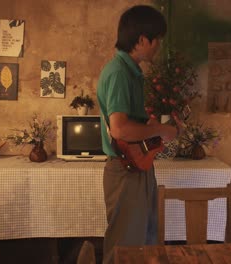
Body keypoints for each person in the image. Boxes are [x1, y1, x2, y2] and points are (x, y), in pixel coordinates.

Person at [96, 5, 177, 264]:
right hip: (125, 171)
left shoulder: (129, 72)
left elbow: (130, 128)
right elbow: (119, 129)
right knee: (125, 248)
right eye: (157, 41)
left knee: (142, 240)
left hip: (135, 167)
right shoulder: (119, 73)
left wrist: (151, 127)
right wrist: (161, 129)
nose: (158, 47)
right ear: (142, 40)